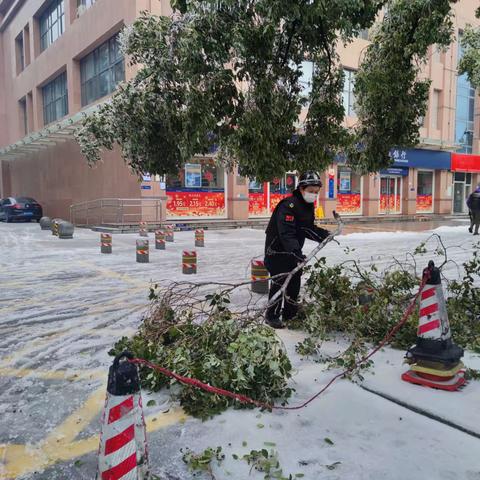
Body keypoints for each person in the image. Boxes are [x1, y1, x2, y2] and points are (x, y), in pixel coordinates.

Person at [264, 171, 330, 328]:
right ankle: (271, 316)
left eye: (316, 192)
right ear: (301, 189)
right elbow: (286, 233)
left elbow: (306, 228)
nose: (313, 195)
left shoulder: (307, 207)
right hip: (277, 252)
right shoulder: (288, 205)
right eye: (310, 191)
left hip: (293, 252)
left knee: (294, 282)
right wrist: (296, 252)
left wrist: (323, 235)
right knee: (279, 283)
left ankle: (290, 314)